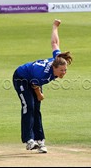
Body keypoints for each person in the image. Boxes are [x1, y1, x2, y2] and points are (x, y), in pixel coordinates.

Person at [12, 19, 73, 153]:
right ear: (54, 68)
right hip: (21, 78)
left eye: (65, 70)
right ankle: (28, 140)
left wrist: (55, 27)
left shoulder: (57, 59)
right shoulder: (43, 75)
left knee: (36, 110)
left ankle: (40, 141)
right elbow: (35, 84)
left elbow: (54, 43)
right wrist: (39, 95)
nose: (64, 73)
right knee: (29, 105)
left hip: (34, 80)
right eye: (62, 70)